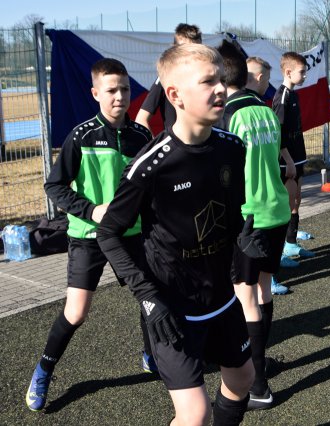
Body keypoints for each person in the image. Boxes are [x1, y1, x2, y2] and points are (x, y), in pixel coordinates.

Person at [97, 43, 254, 425]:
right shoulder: (151, 165)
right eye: (207, 82)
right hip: (171, 305)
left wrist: (246, 240)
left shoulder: (233, 148)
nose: (219, 88)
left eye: (220, 79)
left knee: (242, 379)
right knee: (194, 413)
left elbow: (233, 215)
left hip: (220, 297)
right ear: (175, 96)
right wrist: (148, 296)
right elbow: (109, 232)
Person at [26, 58, 154, 412]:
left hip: (132, 234)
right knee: (77, 312)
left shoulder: (141, 136)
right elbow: (54, 186)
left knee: (149, 294)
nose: (119, 97)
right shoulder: (81, 136)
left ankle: (151, 354)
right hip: (88, 236)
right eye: (111, 90)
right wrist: (91, 210)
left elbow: (150, 186)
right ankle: (44, 369)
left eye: (125, 89)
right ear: (96, 93)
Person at [218, 42, 291, 410]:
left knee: (245, 297)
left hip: (249, 217)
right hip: (276, 211)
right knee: (263, 291)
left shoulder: (229, 113)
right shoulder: (265, 109)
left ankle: (258, 383)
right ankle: (261, 365)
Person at [272, 51, 315, 265]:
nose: (305, 75)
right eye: (302, 72)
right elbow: (277, 133)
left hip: (298, 157)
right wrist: (287, 159)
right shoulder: (281, 97)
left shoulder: (295, 94)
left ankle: (291, 244)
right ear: (288, 72)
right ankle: (278, 252)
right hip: (287, 160)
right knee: (286, 205)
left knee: (296, 201)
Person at [135, 23, 202, 134]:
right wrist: (156, 145)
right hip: (177, 147)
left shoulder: (208, 79)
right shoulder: (165, 79)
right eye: (184, 49)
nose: (191, 54)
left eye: (196, 50)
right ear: (174, 49)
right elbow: (141, 119)